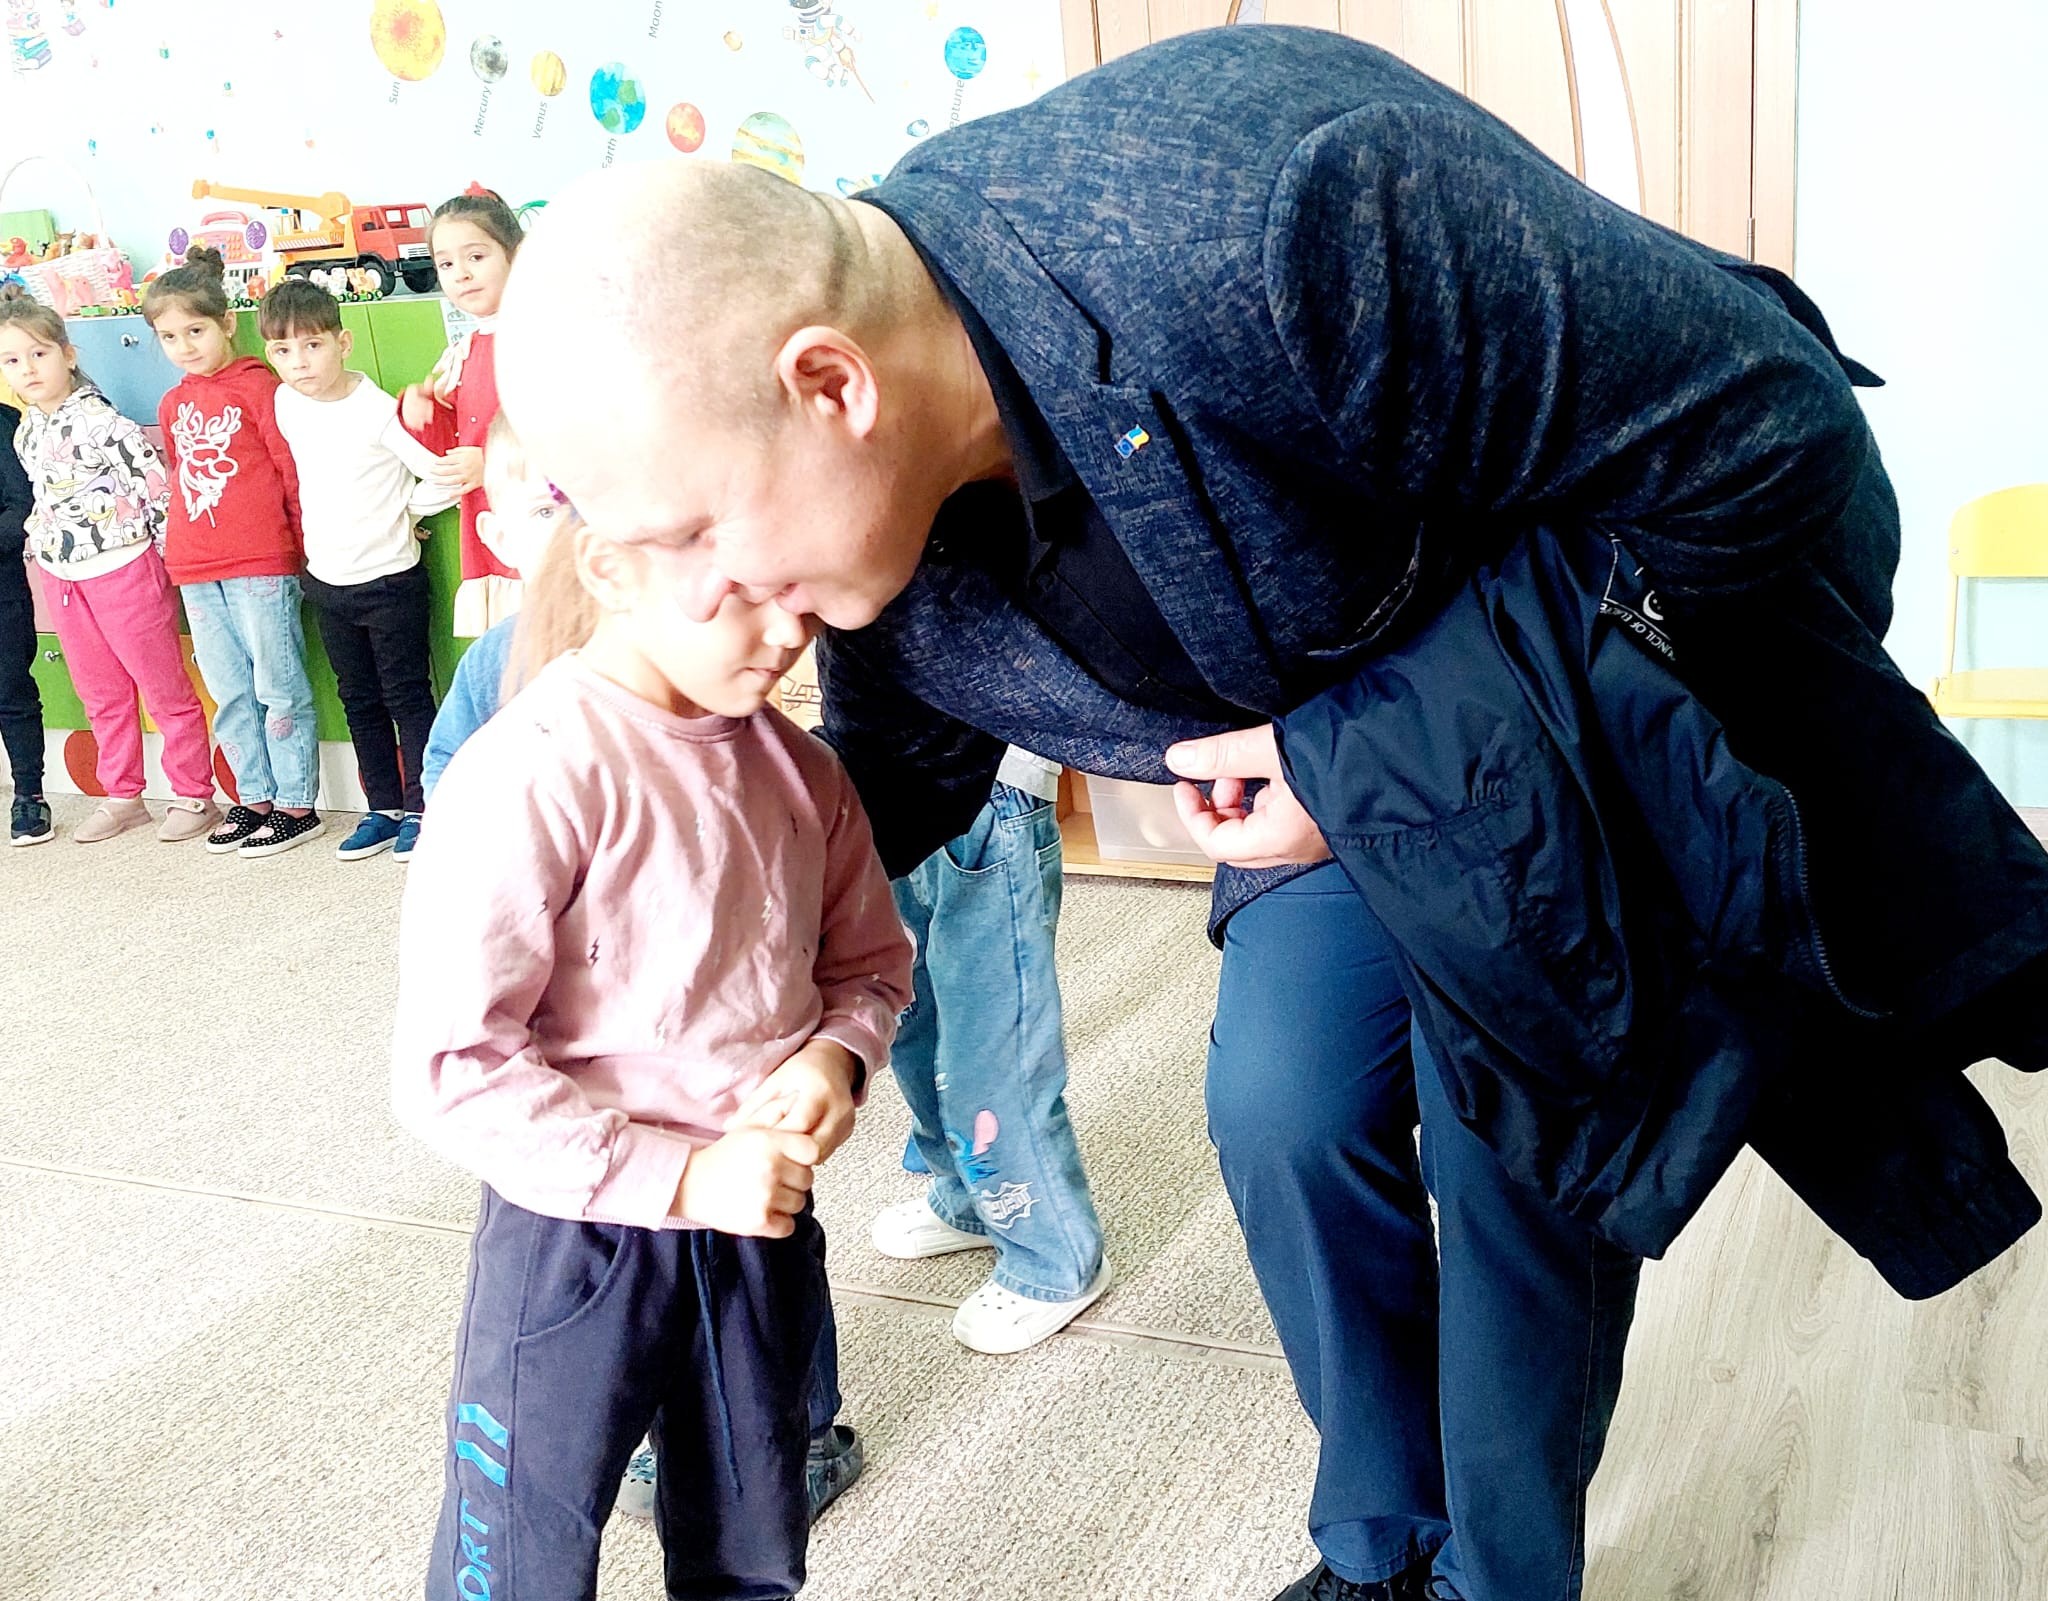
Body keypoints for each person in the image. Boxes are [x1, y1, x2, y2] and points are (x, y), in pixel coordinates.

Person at [494, 28, 2048, 1601]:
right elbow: (882, 795)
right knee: (1284, 1112)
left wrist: (1360, 761)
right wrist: (629, 957)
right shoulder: (863, 545)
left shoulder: (1280, 214)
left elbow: (1778, 453)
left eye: (693, 533)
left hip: (1537, 746)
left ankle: (1503, 1578)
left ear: (829, 383)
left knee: (1510, 1162)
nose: (706, 596)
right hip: (1343, 778)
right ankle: (1380, 1543)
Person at [393, 442, 910, 1600]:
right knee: (519, 1543)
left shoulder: (806, 774)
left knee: (754, 1534)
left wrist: (836, 1054)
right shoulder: (531, 772)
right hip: (575, 1231)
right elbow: (452, 1064)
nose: (784, 634)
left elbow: (872, 964)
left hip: (759, 1219)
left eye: (804, 598)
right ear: (609, 566)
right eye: (744, 592)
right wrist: (680, 1177)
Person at [869, 748, 1112, 1354]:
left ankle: (1053, 1257)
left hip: (988, 786)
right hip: (885, 770)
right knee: (911, 1015)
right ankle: (970, 1196)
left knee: (991, 1051)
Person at [1, 288, 218, 846]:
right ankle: (124, 795)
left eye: (39, 354)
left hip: (124, 569)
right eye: (12, 360)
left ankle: (194, 793)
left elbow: (157, 492)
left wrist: (173, 566)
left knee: (163, 688)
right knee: (101, 695)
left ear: (68, 355)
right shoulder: (26, 430)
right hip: (63, 576)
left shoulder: (104, 423)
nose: (28, 369)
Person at [262, 278, 456, 863]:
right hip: (328, 581)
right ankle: (383, 808)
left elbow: (442, 476)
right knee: (358, 700)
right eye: (283, 350)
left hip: (390, 581)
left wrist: (405, 512)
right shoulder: (286, 403)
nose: (299, 362)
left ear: (343, 343)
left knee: (407, 697)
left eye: (312, 345)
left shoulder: (378, 412)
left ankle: (424, 809)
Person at [144, 248, 322, 858]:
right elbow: (180, 478)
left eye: (195, 331)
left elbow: (289, 470)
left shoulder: (260, 388)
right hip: (196, 567)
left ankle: (296, 803)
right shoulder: (172, 404)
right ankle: (255, 798)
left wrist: (303, 547)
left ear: (226, 323)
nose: (184, 346)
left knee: (278, 685)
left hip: (261, 563)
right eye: (169, 337)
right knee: (229, 691)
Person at [399, 187, 522, 637]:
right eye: (446, 264)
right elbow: (455, 447)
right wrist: (427, 415)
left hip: (539, 529)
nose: (462, 274)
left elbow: (574, 435)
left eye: (476, 256)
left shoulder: (540, 337)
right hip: (491, 530)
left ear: (516, 255)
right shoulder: (464, 350)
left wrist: (491, 463)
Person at [0, 390, 50, 844]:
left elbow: (23, 505)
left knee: (11, 691)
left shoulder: (5, 424)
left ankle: (29, 794)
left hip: (3, 588)